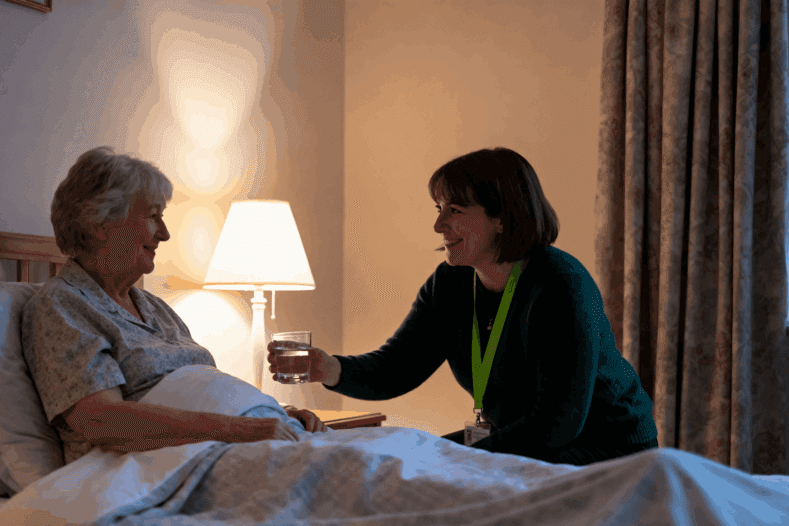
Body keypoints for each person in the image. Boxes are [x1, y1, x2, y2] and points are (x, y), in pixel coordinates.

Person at [267, 147, 658, 465]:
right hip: (529, 441)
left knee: (426, 466)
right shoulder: (450, 284)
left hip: (608, 449)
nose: (439, 226)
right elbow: (397, 368)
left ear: (502, 218)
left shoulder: (561, 285)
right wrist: (327, 367)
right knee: (399, 459)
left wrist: (454, 457)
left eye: (453, 211)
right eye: (438, 209)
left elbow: (557, 424)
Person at [22, 147, 327, 464]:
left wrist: (274, 414)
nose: (164, 234)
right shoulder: (62, 305)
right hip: (166, 465)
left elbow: (204, 395)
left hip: (223, 446)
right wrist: (244, 429)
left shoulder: (155, 308)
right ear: (101, 223)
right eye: (153, 216)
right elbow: (101, 421)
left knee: (367, 456)